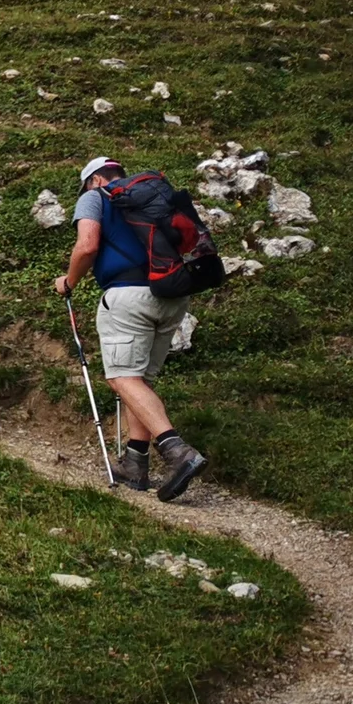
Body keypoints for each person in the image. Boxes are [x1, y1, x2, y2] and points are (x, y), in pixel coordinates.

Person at [54, 155, 206, 501]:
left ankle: (177, 451)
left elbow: (88, 245)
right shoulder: (152, 197)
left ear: (94, 180)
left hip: (128, 295)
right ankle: (136, 463)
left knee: (121, 378)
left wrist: (70, 280)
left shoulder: (96, 196)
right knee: (140, 380)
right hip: (172, 295)